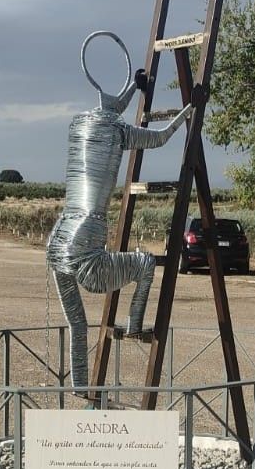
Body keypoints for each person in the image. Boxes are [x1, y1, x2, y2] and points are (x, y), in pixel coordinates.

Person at [46, 31, 192, 391]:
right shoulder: (118, 131)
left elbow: (109, 111)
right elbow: (157, 138)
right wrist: (188, 112)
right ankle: (135, 322)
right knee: (144, 265)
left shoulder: (79, 126)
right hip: (85, 242)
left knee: (77, 324)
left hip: (59, 239)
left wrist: (135, 90)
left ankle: (81, 389)